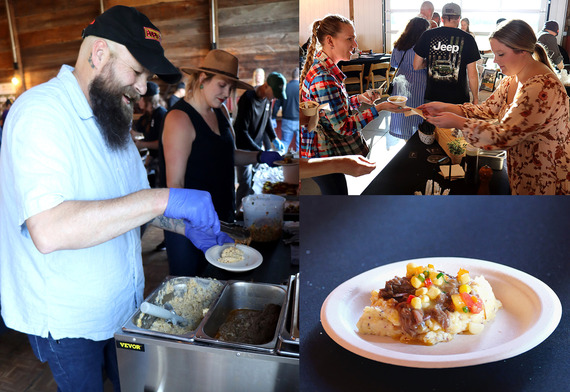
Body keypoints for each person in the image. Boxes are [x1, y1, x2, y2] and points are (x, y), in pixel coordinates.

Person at [0, 6, 231, 391]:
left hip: (123, 307)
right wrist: (165, 200)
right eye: (137, 72)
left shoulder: (114, 121)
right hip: (68, 319)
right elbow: (49, 229)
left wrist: (185, 227)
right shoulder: (40, 113)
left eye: (148, 77)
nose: (143, 87)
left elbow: (136, 206)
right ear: (100, 54)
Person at [160, 49, 281, 276]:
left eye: (231, 87)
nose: (227, 93)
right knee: (193, 290)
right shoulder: (179, 119)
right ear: (203, 79)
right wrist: (192, 228)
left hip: (223, 217)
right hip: (190, 227)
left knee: (221, 282)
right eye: (222, 85)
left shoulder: (221, 111)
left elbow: (227, 155)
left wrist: (258, 156)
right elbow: (174, 186)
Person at [419, 19, 570, 195]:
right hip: (523, 171)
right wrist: (446, 107)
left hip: (546, 177)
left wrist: (459, 122)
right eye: (494, 54)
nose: (495, 60)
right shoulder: (513, 78)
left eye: (501, 54)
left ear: (522, 51)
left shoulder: (542, 88)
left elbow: (503, 136)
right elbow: (487, 110)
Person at [299, 14, 408, 194]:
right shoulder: (324, 78)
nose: (355, 45)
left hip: (321, 152)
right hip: (322, 152)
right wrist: (378, 108)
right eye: (350, 39)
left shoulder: (324, 69)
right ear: (330, 40)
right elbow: (343, 126)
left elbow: (329, 109)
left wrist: (360, 99)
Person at [234, 72, 286, 207]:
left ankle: (253, 208)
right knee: (245, 182)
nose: (274, 97)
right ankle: (238, 213)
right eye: (273, 93)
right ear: (266, 86)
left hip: (257, 146)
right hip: (244, 147)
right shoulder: (248, 98)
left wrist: (274, 138)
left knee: (257, 181)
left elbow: (267, 120)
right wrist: (259, 153)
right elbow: (241, 131)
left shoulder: (267, 101)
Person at [413, 3, 480, 104]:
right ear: (458, 18)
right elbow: (473, 74)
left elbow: (416, 65)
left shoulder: (427, 35)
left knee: (432, 120)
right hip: (458, 99)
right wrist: (475, 98)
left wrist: (430, 62)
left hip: (433, 97)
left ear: (442, 18)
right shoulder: (468, 39)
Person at [389, 17, 430, 140]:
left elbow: (393, 63)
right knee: (417, 112)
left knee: (403, 113)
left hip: (401, 81)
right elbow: (422, 66)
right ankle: (417, 139)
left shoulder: (399, 44)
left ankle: (406, 139)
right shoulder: (422, 46)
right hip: (419, 82)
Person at [133, 81, 167, 188]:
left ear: (145, 99)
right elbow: (145, 135)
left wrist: (142, 145)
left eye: (140, 98)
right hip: (153, 159)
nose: (138, 102)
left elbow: (162, 143)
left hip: (163, 163)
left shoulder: (161, 115)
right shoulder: (148, 116)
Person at [272, 67, 300, 152]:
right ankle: (301, 164)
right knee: (301, 146)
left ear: (292, 76)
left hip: (287, 120)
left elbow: (277, 104)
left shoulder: (285, 88)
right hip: (300, 121)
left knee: (284, 143)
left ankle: (280, 162)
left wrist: (273, 117)